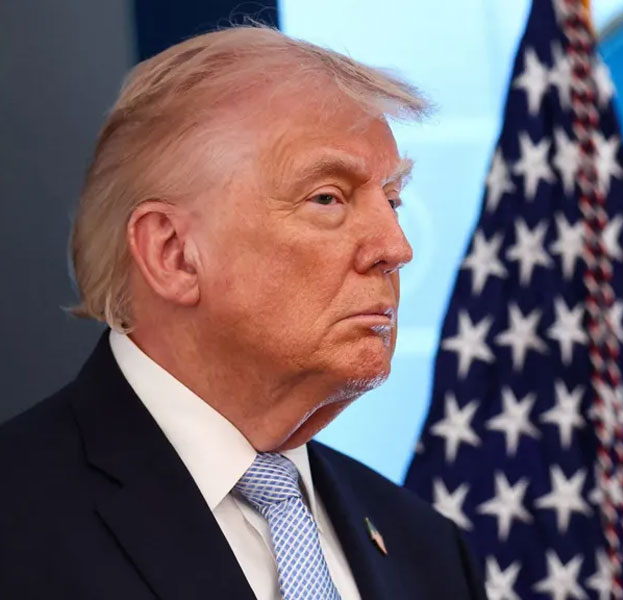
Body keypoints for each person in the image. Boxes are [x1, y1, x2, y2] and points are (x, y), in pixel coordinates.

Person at [0, 25, 486, 600]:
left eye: (392, 200)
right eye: (327, 197)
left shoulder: (427, 548)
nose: (395, 248)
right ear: (173, 254)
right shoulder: (18, 520)